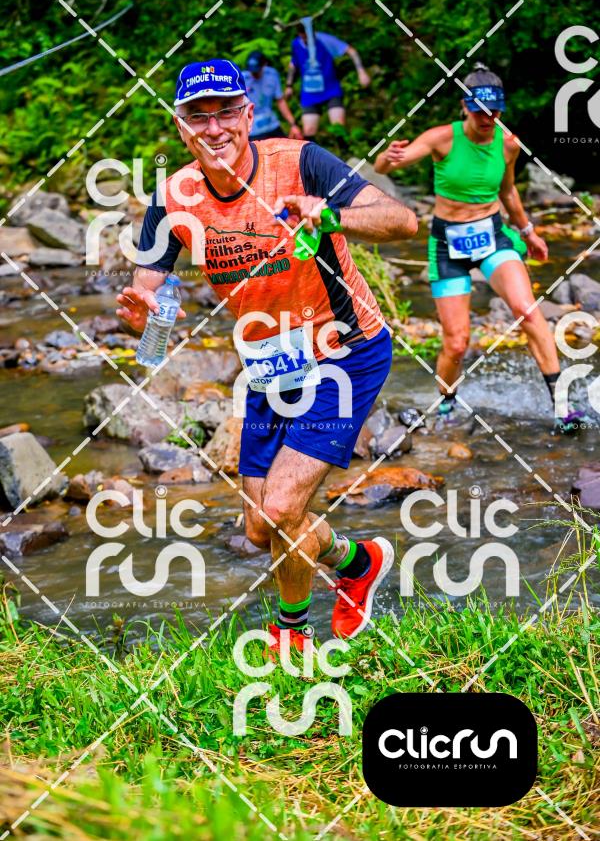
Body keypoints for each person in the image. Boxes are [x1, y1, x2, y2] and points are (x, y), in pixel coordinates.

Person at [116, 58, 418, 653]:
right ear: (181, 127)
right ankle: (357, 564)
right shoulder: (173, 197)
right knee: (259, 527)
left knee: (281, 506)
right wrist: (142, 314)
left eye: (226, 111)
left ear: (249, 114)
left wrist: (331, 214)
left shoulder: (301, 162)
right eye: (198, 116)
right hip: (270, 365)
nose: (214, 127)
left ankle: (291, 633)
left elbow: (403, 221)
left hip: (344, 352)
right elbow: (148, 286)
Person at [374, 62, 584, 434]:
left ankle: (562, 408)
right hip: (448, 246)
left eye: (494, 112)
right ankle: (446, 405)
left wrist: (529, 232)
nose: (487, 119)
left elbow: (508, 191)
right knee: (457, 342)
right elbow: (385, 167)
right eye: (479, 111)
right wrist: (386, 159)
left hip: (492, 237)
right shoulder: (442, 138)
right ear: (464, 107)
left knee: (527, 309)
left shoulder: (508, 143)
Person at [285, 20, 371, 140]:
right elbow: (293, 64)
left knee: (338, 127)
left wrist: (361, 72)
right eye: (303, 37)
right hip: (310, 92)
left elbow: (351, 51)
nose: (307, 40)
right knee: (309, 131)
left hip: (330, 89)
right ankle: (312, 152)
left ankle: (342, 149)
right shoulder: (296, 44)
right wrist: (289, 85)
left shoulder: (324, 40)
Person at [243, 50, 303, 141]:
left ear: (264, 65)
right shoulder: (242, 79)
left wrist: (293, 124)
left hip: (271, 124)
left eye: (256, 71)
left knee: (287, 146)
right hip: (253, 130)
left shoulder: (272, 75)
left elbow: (280, 101)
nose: (254, 74)